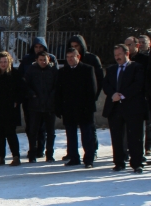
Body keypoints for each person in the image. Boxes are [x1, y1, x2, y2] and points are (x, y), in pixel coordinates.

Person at [103, 44, 146, 173]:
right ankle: (119, 162)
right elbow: (106, 84)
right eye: (115, 55)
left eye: (119, 55)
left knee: (134, 136)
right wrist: (112, 94)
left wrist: (123, 95)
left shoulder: (137, 67)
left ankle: (136, 163)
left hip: (132, 107)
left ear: (126, 54)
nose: (117, 58)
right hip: (115, 108)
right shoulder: (111, 69)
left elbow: (138, 84)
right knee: (117, 136)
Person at [55, 48, 97, 168]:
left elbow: (92, 90)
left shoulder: (87, 69)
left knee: (87, 135)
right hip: (69, 108)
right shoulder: (63, 72)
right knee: (71, 135)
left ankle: (89, 159)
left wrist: (88, 106)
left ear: (78, 57)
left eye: (72, 57)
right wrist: (58, 107)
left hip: (84, 109)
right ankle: (74, 158)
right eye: (68, 57)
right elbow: (59, 91)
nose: (69, 59)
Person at [19, 37, 59, 158]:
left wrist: (52, 97)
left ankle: (42, 150)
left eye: (40, 47)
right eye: (36, 47)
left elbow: (56, 82)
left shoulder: (51, 63)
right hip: (32, 102)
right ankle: (33, 150)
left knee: (46, 129)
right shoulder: (27, 61)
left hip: (48, 102)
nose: (38, 49)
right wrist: (31, 94)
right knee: (32, 128)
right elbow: (22, 80)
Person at [67, 35, 104, 159]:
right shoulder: (69, 59)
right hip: (73, 102)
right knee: (72, 130)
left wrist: (94, 97)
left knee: (89, 128)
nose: (74, 48)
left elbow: (99, 80)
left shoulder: (91, 59)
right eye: (72, 46)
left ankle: (92, 151)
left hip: (88, 100)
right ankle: (72, 154)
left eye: (76, 46)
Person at [0, 51, 23, 166]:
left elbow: (21, 90)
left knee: (10, 134)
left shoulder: (15, 74)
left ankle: (16, 156)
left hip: (10, 109)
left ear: (9, 62)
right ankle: (0, 156)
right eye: (1, 62)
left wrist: (17, 101)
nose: (3, 64)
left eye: (5, 61)